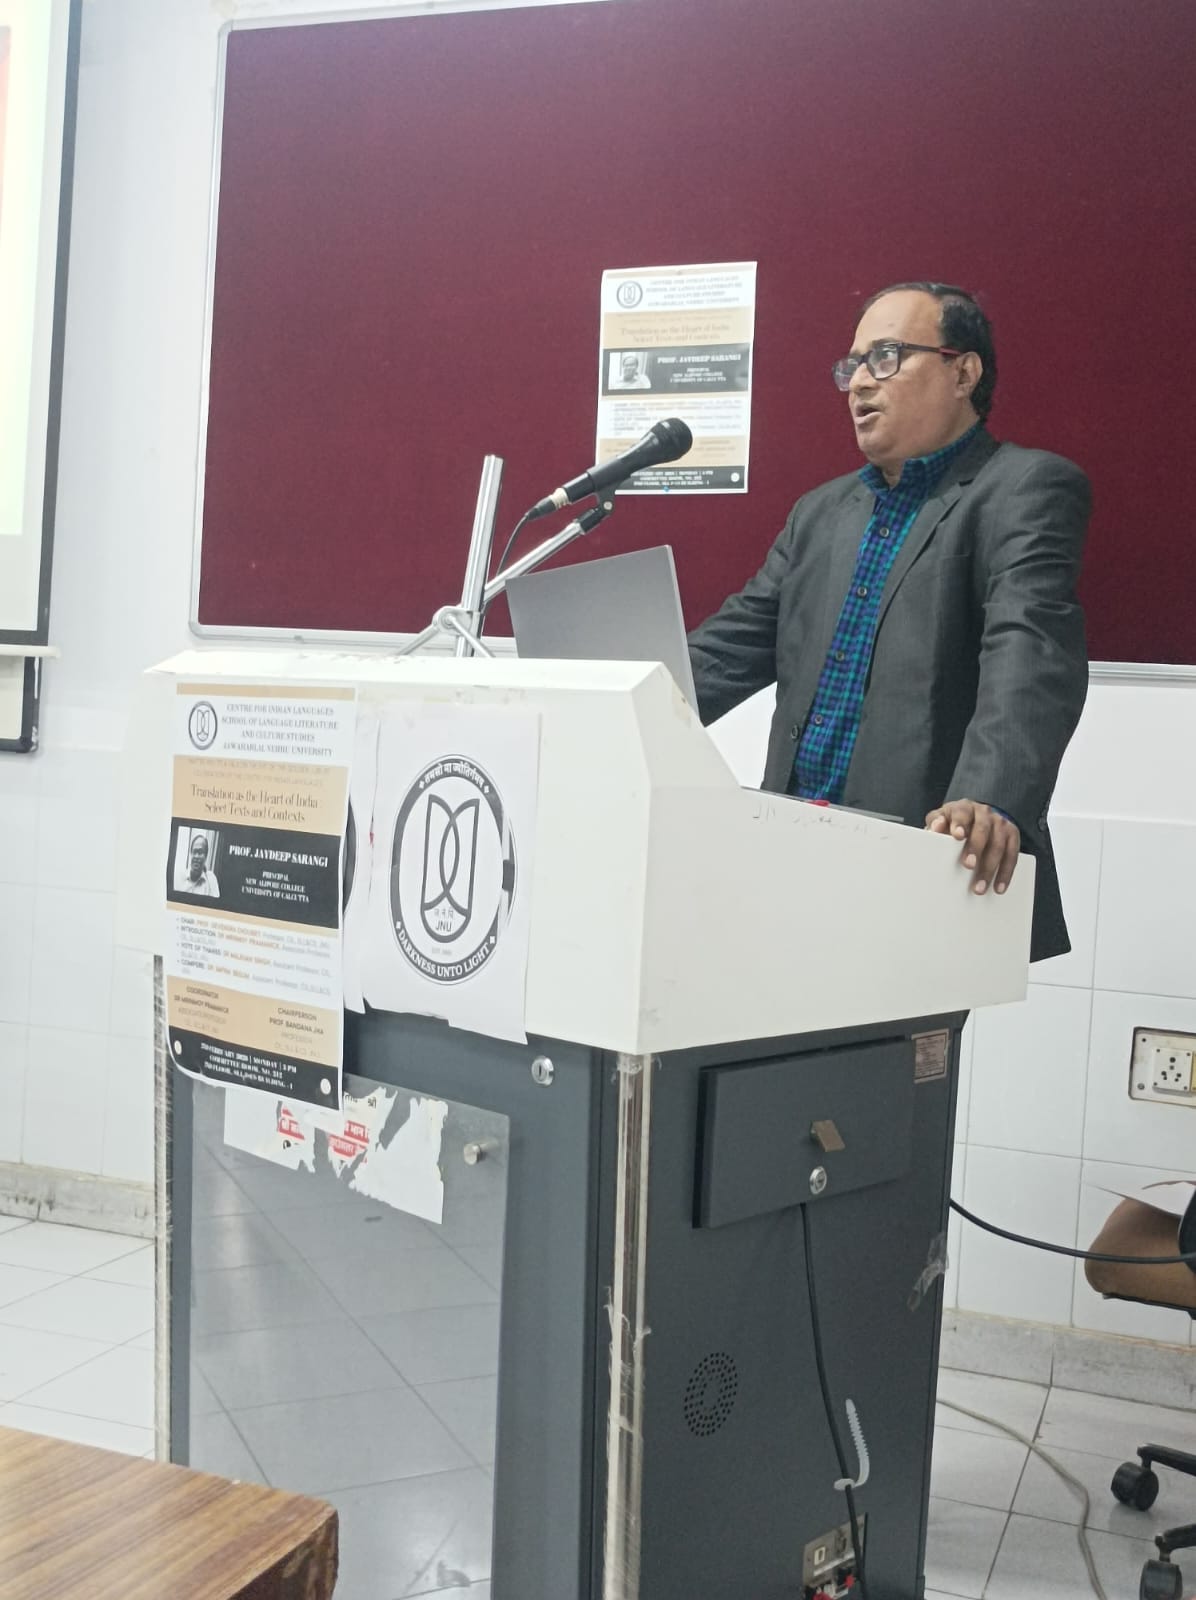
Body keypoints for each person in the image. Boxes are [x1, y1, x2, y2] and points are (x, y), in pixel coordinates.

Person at [688, 282, 1089, 962]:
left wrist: (987, 798)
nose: (858, 383)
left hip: (929, 864)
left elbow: (1029, 651)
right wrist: (607, 703)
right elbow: (726, 651)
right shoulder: (820, 513)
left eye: (887, 356)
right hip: (789, 861)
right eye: (852, 365)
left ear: (963, 372)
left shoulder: (1023, 489)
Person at [175, 831, 220, 897]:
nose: (196, 856)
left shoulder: (211, 880)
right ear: (191, 854)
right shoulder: (179, 877)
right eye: (194, 852)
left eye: (200, 852)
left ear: (206, 856)